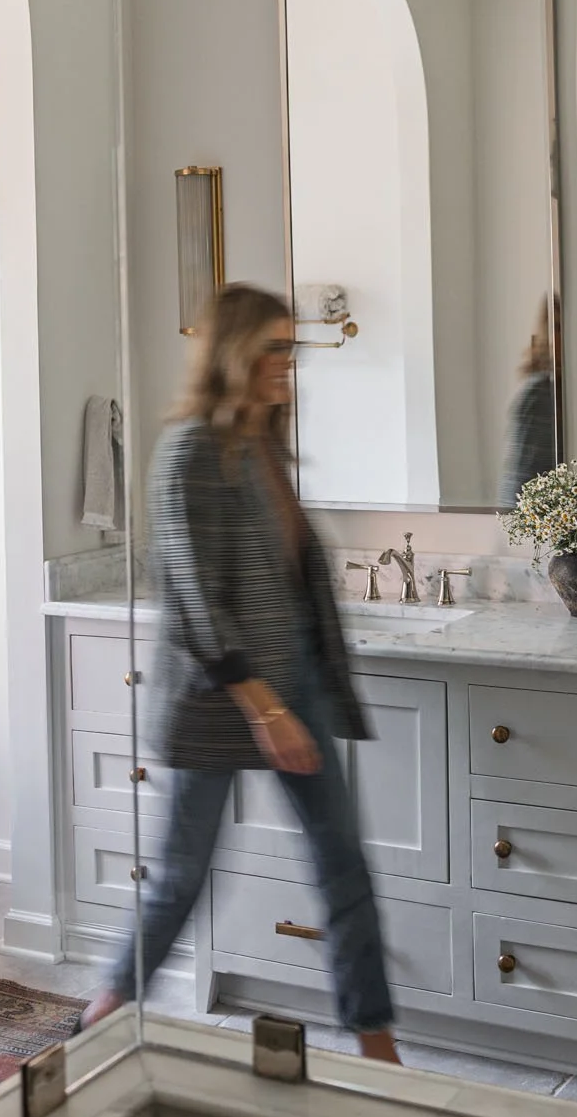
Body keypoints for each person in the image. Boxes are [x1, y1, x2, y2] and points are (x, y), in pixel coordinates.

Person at [81, 284, 400, 1061]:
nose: (287, 362)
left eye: (291, 347)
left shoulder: (267, 447)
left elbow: (290, 581)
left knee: (344, 865)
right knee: (180, 877)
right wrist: (265, 709)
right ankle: (98, 1022)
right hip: (220, 699)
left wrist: (305, 691)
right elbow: (195, 599)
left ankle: (377, 1046)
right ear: (233, 353)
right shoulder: (190, 451)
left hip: (298, 685)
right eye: (273, 347)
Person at [498, 299, 557, 507]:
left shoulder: (558, 390)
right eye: (557, 327)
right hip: (534, 517)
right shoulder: (539, 394)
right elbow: (519, 479)